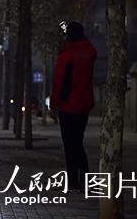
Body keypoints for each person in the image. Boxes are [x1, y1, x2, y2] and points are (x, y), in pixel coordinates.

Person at [50, 21, 97, 190]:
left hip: (68, 105)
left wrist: (53, 105)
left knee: (69, 144)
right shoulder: (90, 52)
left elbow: (59, 83)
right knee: (78, 142)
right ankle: (84, 179)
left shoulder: (66, 57)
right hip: (84, 105)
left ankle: (73, 180)